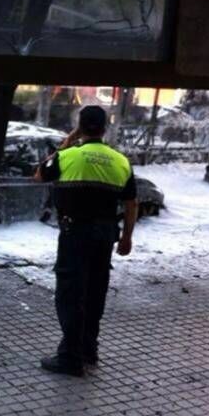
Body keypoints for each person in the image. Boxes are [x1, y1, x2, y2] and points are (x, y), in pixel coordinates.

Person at [35, 105, 137, 377]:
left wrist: (69, 139)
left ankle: (70, 358)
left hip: (74, 234)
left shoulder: (68, 156)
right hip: (105, 235)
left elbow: (39, 174)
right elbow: (130, 203)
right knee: (94, 291)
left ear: (80, 125)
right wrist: (126, 237)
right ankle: (88, 349)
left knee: (70, 294)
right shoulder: (120, 161)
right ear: (105, 128)